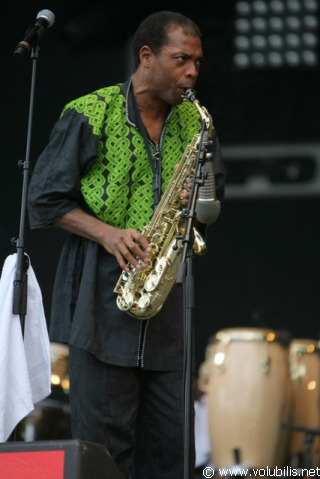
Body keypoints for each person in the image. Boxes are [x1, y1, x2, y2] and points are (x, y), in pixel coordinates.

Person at [27, 10, 225, 478]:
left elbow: (211, 202)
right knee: (103, 452)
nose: (192, 72)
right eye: (181, 60)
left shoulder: (195, 125)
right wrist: (108, 232)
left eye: (197, 62)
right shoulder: (89, 112)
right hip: (100, 302)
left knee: (170, 453)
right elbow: (44, 198)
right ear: (146, 56)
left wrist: (202, 200)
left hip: (166, 308)